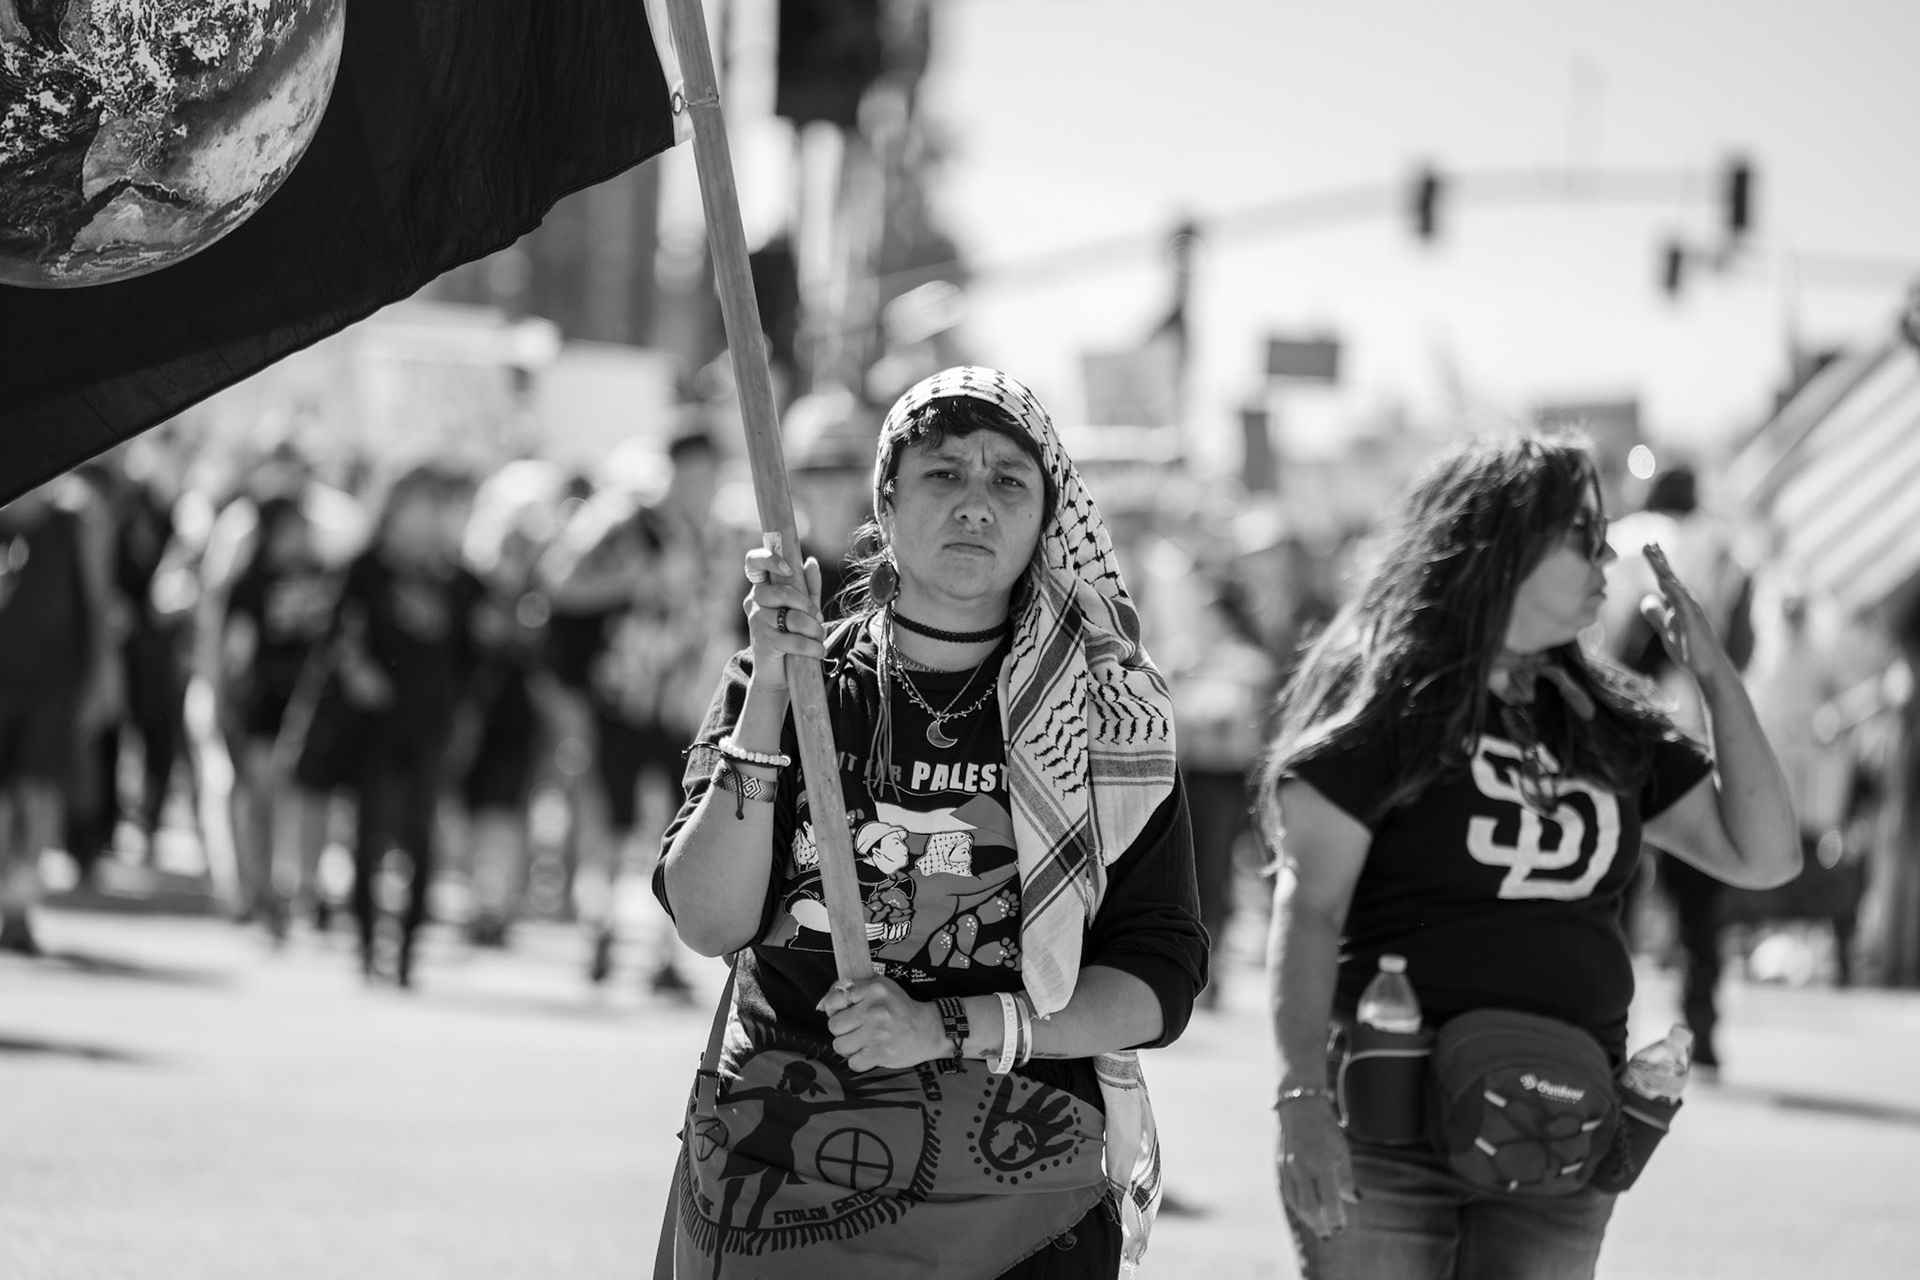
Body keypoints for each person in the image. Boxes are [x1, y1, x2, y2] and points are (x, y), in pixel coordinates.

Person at [652, 367, 1207, 1278]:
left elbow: (1159, 978)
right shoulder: (787, 684)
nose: (975, 504)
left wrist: (948, 1026)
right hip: (784, 1172)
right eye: (944, 473)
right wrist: (770, 697)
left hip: (1020, 1199)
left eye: (1008, 481)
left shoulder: (1107, 716)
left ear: (1047, 514)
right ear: (886, 500)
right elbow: (709, 921)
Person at [1258, 432, 1799, 1279]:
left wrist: (1715, 676)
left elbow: (1764, 856)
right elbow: (1310, 908)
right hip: (1384, 1132)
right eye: (1582, 535)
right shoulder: (1392, 707)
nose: (1607, 555)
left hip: (1558, 1128)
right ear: (1502, 545)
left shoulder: (1609, 721)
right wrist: (1300, 1099)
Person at [543, 421, 726, 993]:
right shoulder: (625, 523)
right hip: (621, 696)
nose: (700, 487)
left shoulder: (713, 534)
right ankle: (598, 929)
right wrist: (628, 582)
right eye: (690, 474)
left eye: (708, 476)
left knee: (676, 826)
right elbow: (558, 583)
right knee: (612, 820)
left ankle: (663, 954)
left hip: (681, 705)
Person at [0, 479, 114, 955]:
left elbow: (97, 604)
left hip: (53, 688)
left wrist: (101, 680)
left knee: (37, 793)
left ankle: (18, 908)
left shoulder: (74, 520)